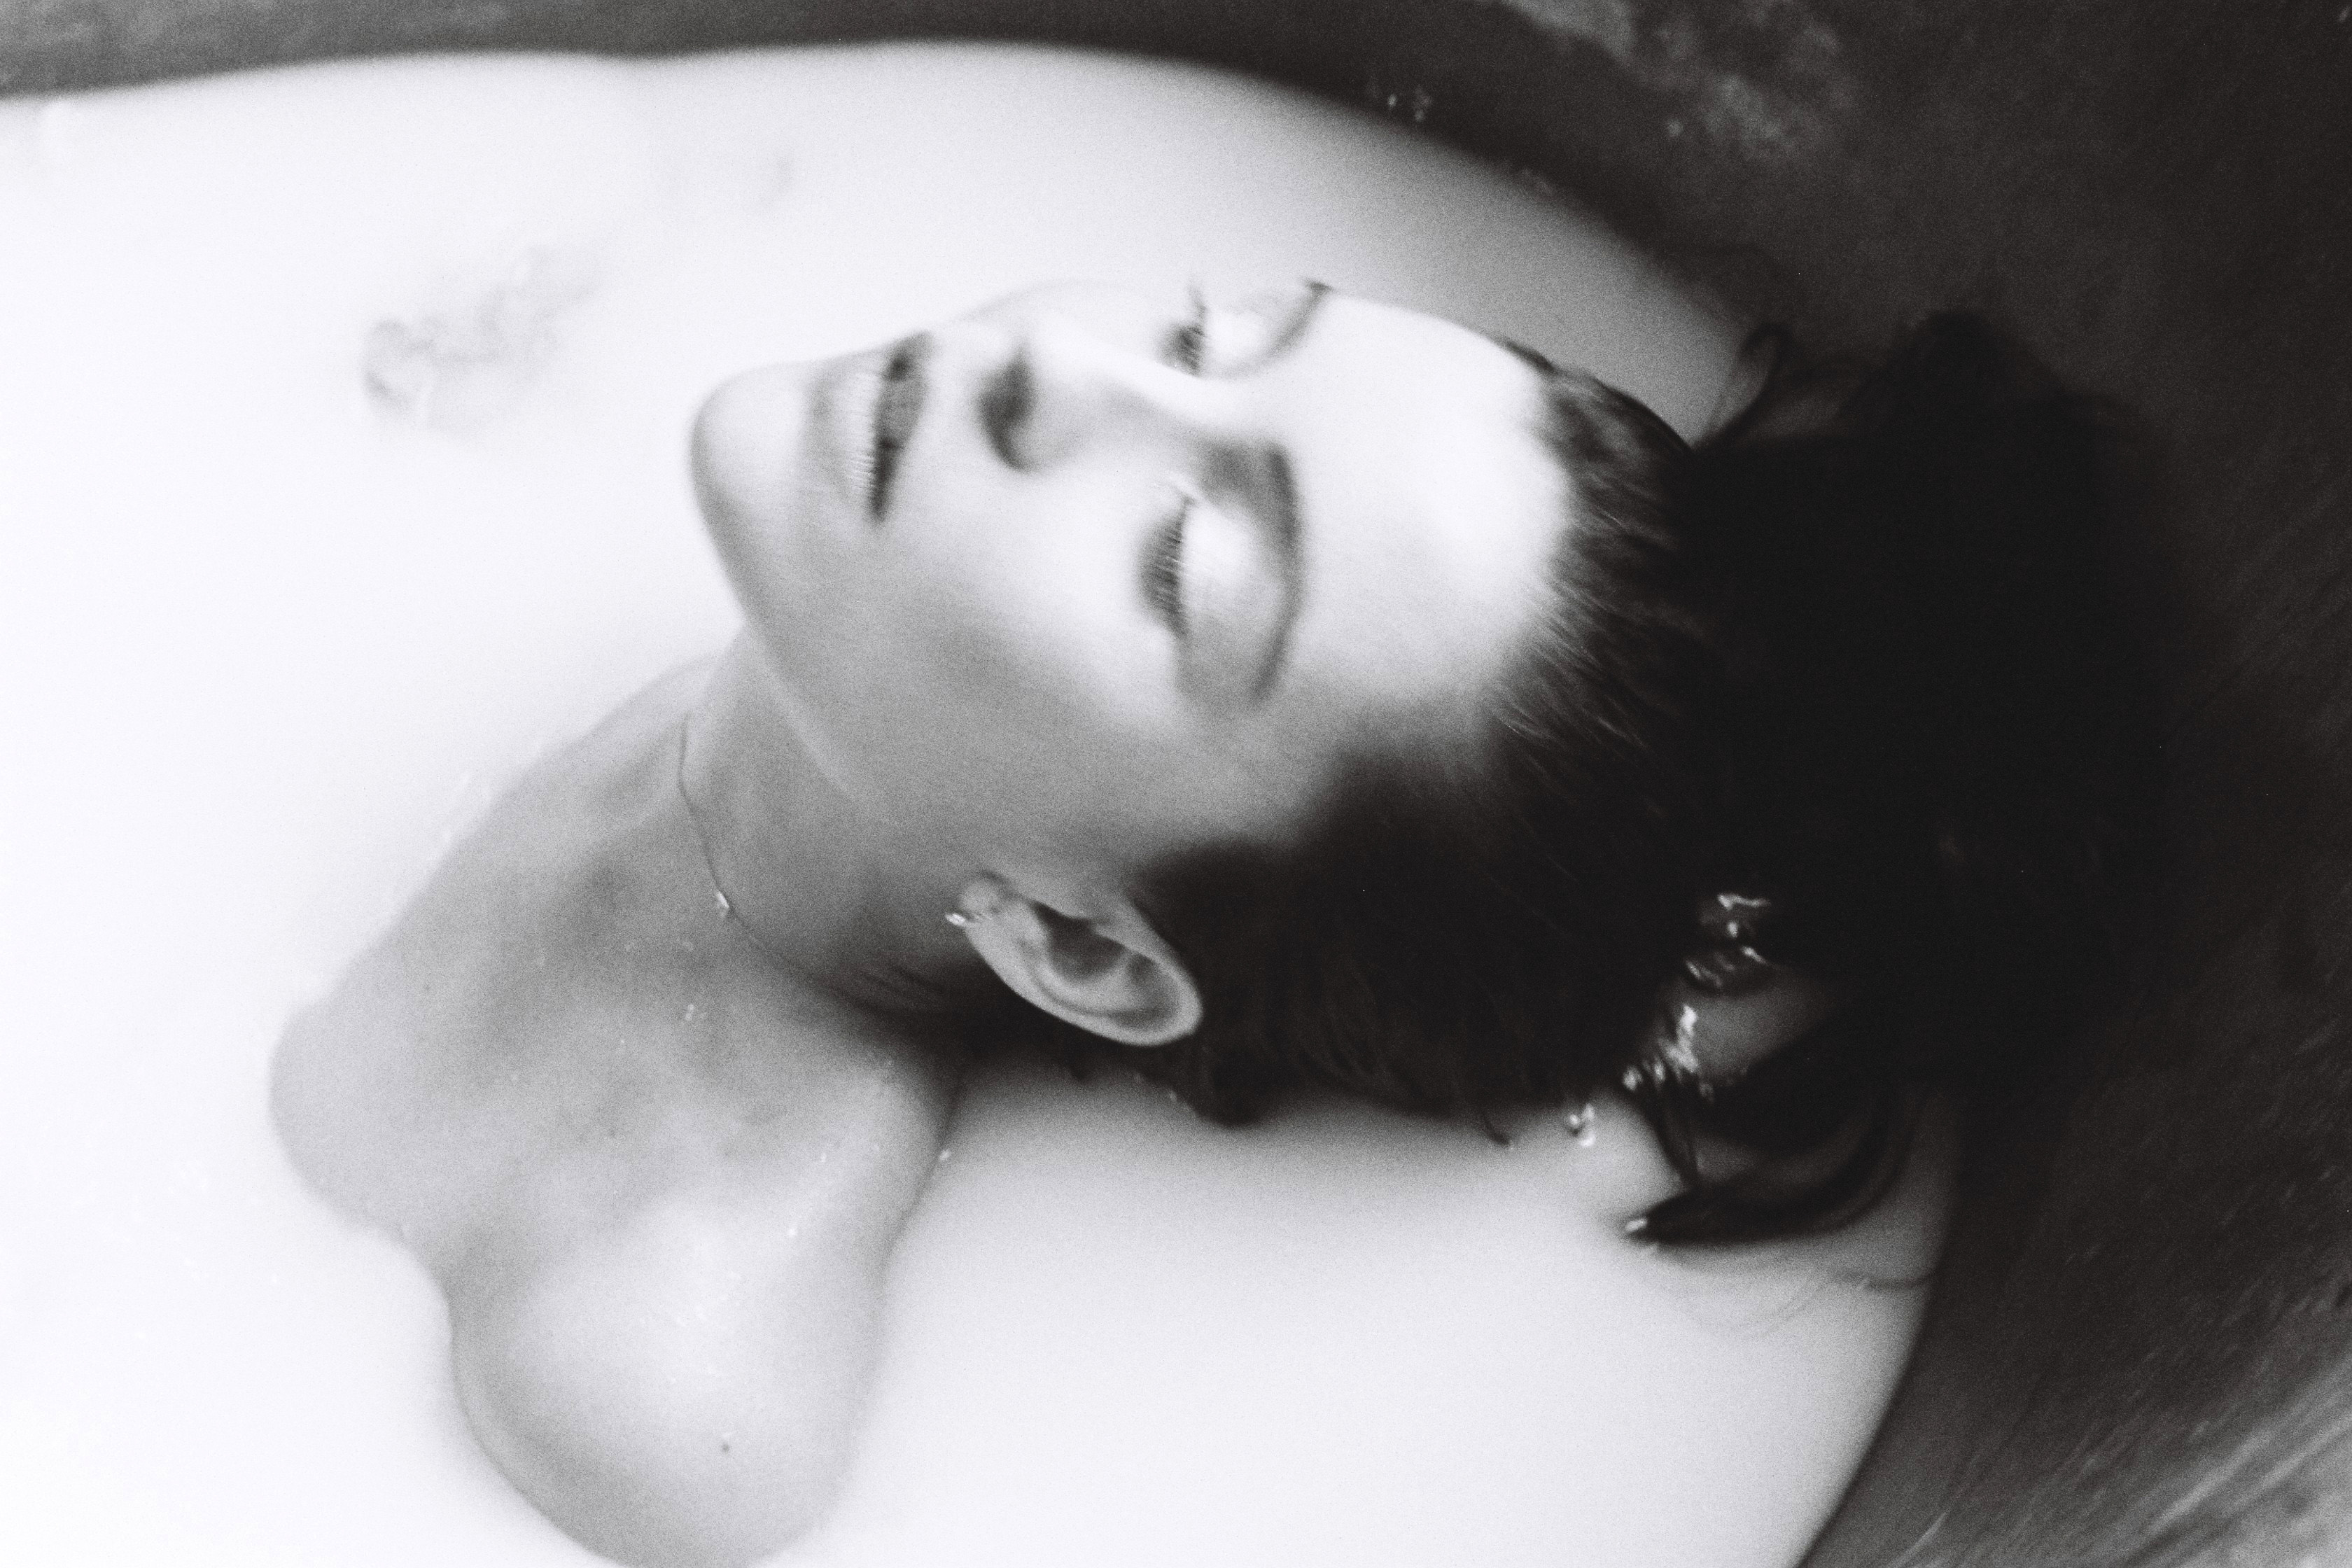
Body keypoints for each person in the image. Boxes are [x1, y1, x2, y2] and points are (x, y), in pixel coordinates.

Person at [272, 279, 2148, 1568]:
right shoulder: (737, 552)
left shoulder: (656, 1361)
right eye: (1210, 333)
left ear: (1082, 953)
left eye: (1182, 559)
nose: (1058, 372)